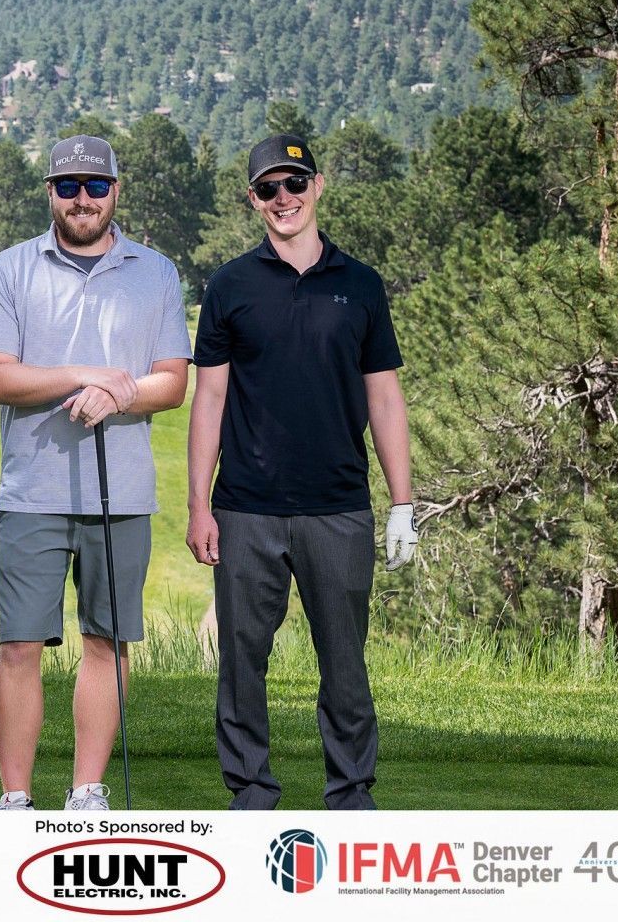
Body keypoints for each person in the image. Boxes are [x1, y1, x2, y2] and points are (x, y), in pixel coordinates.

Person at [0, 135, 192, 856]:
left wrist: (114, 395)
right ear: (49, 192)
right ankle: (13, 800)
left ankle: (86, 792)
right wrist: (85, 375)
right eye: (68, 186)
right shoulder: (9, 269)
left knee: (107, 641)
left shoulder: (155, 272)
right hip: (30, 490)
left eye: (94, 186)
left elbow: (170, 382)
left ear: (115, 191)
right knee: (18, 646)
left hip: (119, 491)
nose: (82, 200)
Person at [186, 133, 417, 811]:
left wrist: (402, 502)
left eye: (293, 184)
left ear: (316, 187)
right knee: (242, 664)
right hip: (246, 508)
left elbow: (383, 397)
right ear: (252, 200)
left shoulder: (360, 284)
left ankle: (350, 794)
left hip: (337, 506)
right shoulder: (229, 285)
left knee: (344, 663)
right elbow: (210, 399)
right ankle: (251, 793)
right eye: (267, 189)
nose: (282, 198)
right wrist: (198, 504)